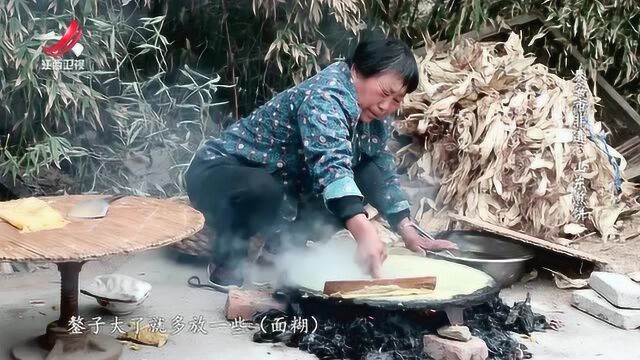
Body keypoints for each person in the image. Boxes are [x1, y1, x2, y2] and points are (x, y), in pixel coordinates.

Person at [185, 37, 457, 288]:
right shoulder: (325, 96)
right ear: (358, 71)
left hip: (283, 182)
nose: (386, 106)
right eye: (384, 91)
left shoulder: (371, 115)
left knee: (347, 188)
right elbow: (331, 165)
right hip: (220, 172)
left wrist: (405, 226)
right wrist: (363, 230)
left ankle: (280, 247)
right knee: (267, 189)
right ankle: (225, 263)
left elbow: (376, 165)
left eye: (397, 99)